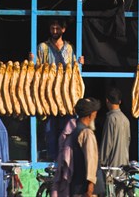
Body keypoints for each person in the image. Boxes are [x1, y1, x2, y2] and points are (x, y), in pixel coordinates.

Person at [30, 17, 84, 161]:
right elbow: (36, 70)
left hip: (67, 98)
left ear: (63, 29)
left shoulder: (70, 48)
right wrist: (31, 62)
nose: (54, 31)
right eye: (52, 28)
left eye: (57, 28)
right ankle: (52, 161)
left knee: (68, 131)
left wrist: (80, 63)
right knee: (50, 131)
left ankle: (67, 160)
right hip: (48, 97)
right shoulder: (42, 47)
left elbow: (75, 72)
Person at [70, 97, 105, 197]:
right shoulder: (87, 133)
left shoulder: (74, 131)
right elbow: (91, 160)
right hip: (87, 190)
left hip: (77, 186)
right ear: (91, 114)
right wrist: (90, 186)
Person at [100, 87, 131, 197]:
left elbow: (107, 144)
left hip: (112, 167)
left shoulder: (111, 119)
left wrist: (101, 162)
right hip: (124, 166)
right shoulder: (126, 120)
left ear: (107, 101)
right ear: (120, 102)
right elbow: (128, 141)